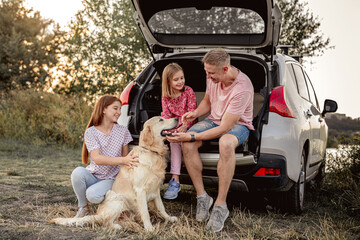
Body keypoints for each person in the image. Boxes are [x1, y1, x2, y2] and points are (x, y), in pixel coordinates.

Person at [166, 48, 254, 232]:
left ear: (225, 69)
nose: (208, 76)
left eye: (211, 73)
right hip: (213, 120)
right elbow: (207, 100)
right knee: (187, 144)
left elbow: (225, 128)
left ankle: (221, 206)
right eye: (206, 71)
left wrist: (192, 135)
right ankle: (202, 197)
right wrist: (195, 113)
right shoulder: (212, 75)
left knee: (226, 142)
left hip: (238, 125)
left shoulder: (242, 88)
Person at [71, 95, 138, 218]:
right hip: (94, 175)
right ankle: (83, 207)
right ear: (104, 109)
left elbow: (125, 161)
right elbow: (97, 158)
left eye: (120, 109)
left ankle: (110, 203)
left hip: (112, 179)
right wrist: (124, 159)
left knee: (92, 195)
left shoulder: (123, 131)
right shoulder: (91, 132)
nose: (119, 112)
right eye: (115, 108)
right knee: (77, 173)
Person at [161, 62, 197, 199]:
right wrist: (168, 130)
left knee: (177, 140)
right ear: (168, 81)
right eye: (176, 79)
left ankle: (175, 179)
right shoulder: (166, 97)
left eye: (182, 78)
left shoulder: (188, 91)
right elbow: (166, 116)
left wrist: (184, 125)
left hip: (190, 124)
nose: (180, 81)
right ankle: (167, 179)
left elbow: (192, 112)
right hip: (174, 126)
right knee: (172, 139)